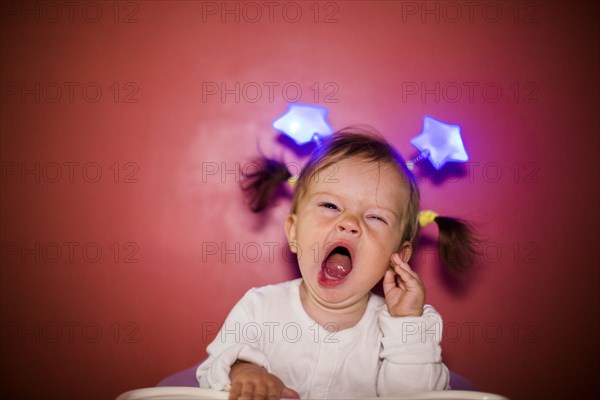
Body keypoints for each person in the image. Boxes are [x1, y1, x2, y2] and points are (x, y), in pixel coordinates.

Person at [196, 127, 477, 400]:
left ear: (399, 257)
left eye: (376, 217)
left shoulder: (400, 330)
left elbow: (419, 397)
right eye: (330, 206)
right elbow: (210, 373)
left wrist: (406, 324)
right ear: (294, 232)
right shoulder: (259, 308)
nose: (350, 224)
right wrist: (244, 372)